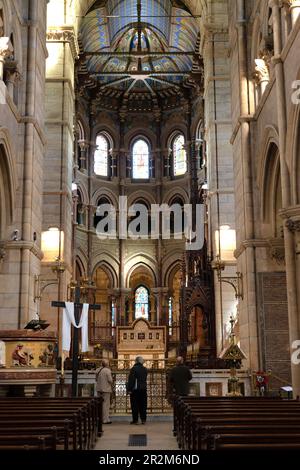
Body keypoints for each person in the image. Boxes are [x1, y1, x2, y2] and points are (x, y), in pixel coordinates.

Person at [127, 356, 148, 424]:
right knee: (143, 405)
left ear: (136, 361)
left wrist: (129, 389)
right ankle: (143, 419)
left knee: (135, 405)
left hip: (135, 389)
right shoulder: (145, 369)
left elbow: (131, 380)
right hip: (143, 389)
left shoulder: (133, 369)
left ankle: (135, 420)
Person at [95, 359, 113, 424]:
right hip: (106, 389)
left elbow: (96, 379)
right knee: (106, 404)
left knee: (100, 404)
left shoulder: (98, 370)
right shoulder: (107, 370)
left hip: (99, 389)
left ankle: (99, 418)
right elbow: (110, 380)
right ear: (107, 364)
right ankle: (105, 419)